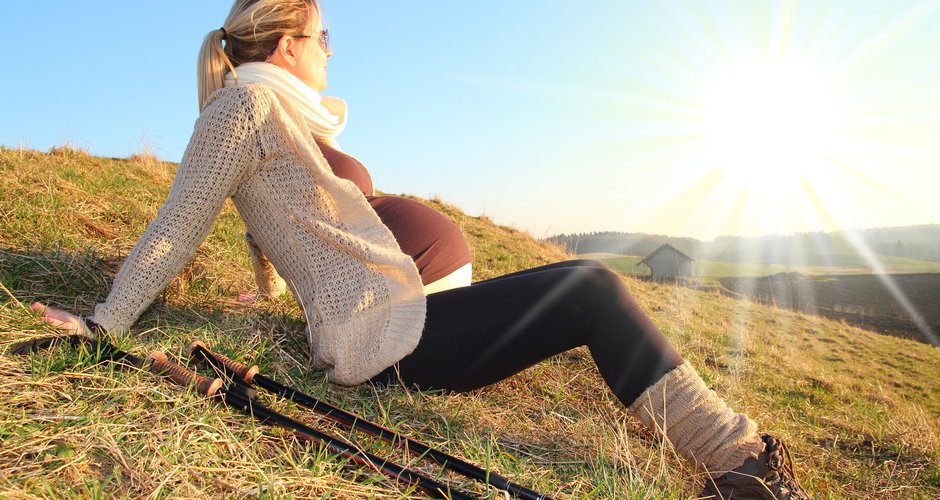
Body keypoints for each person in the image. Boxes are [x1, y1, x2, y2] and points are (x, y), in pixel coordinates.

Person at [30, 1, 809, 497]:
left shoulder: (279, 113)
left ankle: (738, 466)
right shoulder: (244, 105)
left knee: (583, 289)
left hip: (400, 318)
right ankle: (741, 466)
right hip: (383, 339)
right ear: (288, 42)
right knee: (591, 289)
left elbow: (272, 223)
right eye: (324, 35)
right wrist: (105, 324)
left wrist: (264, 291)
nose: (332, 50)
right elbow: (179, 221)